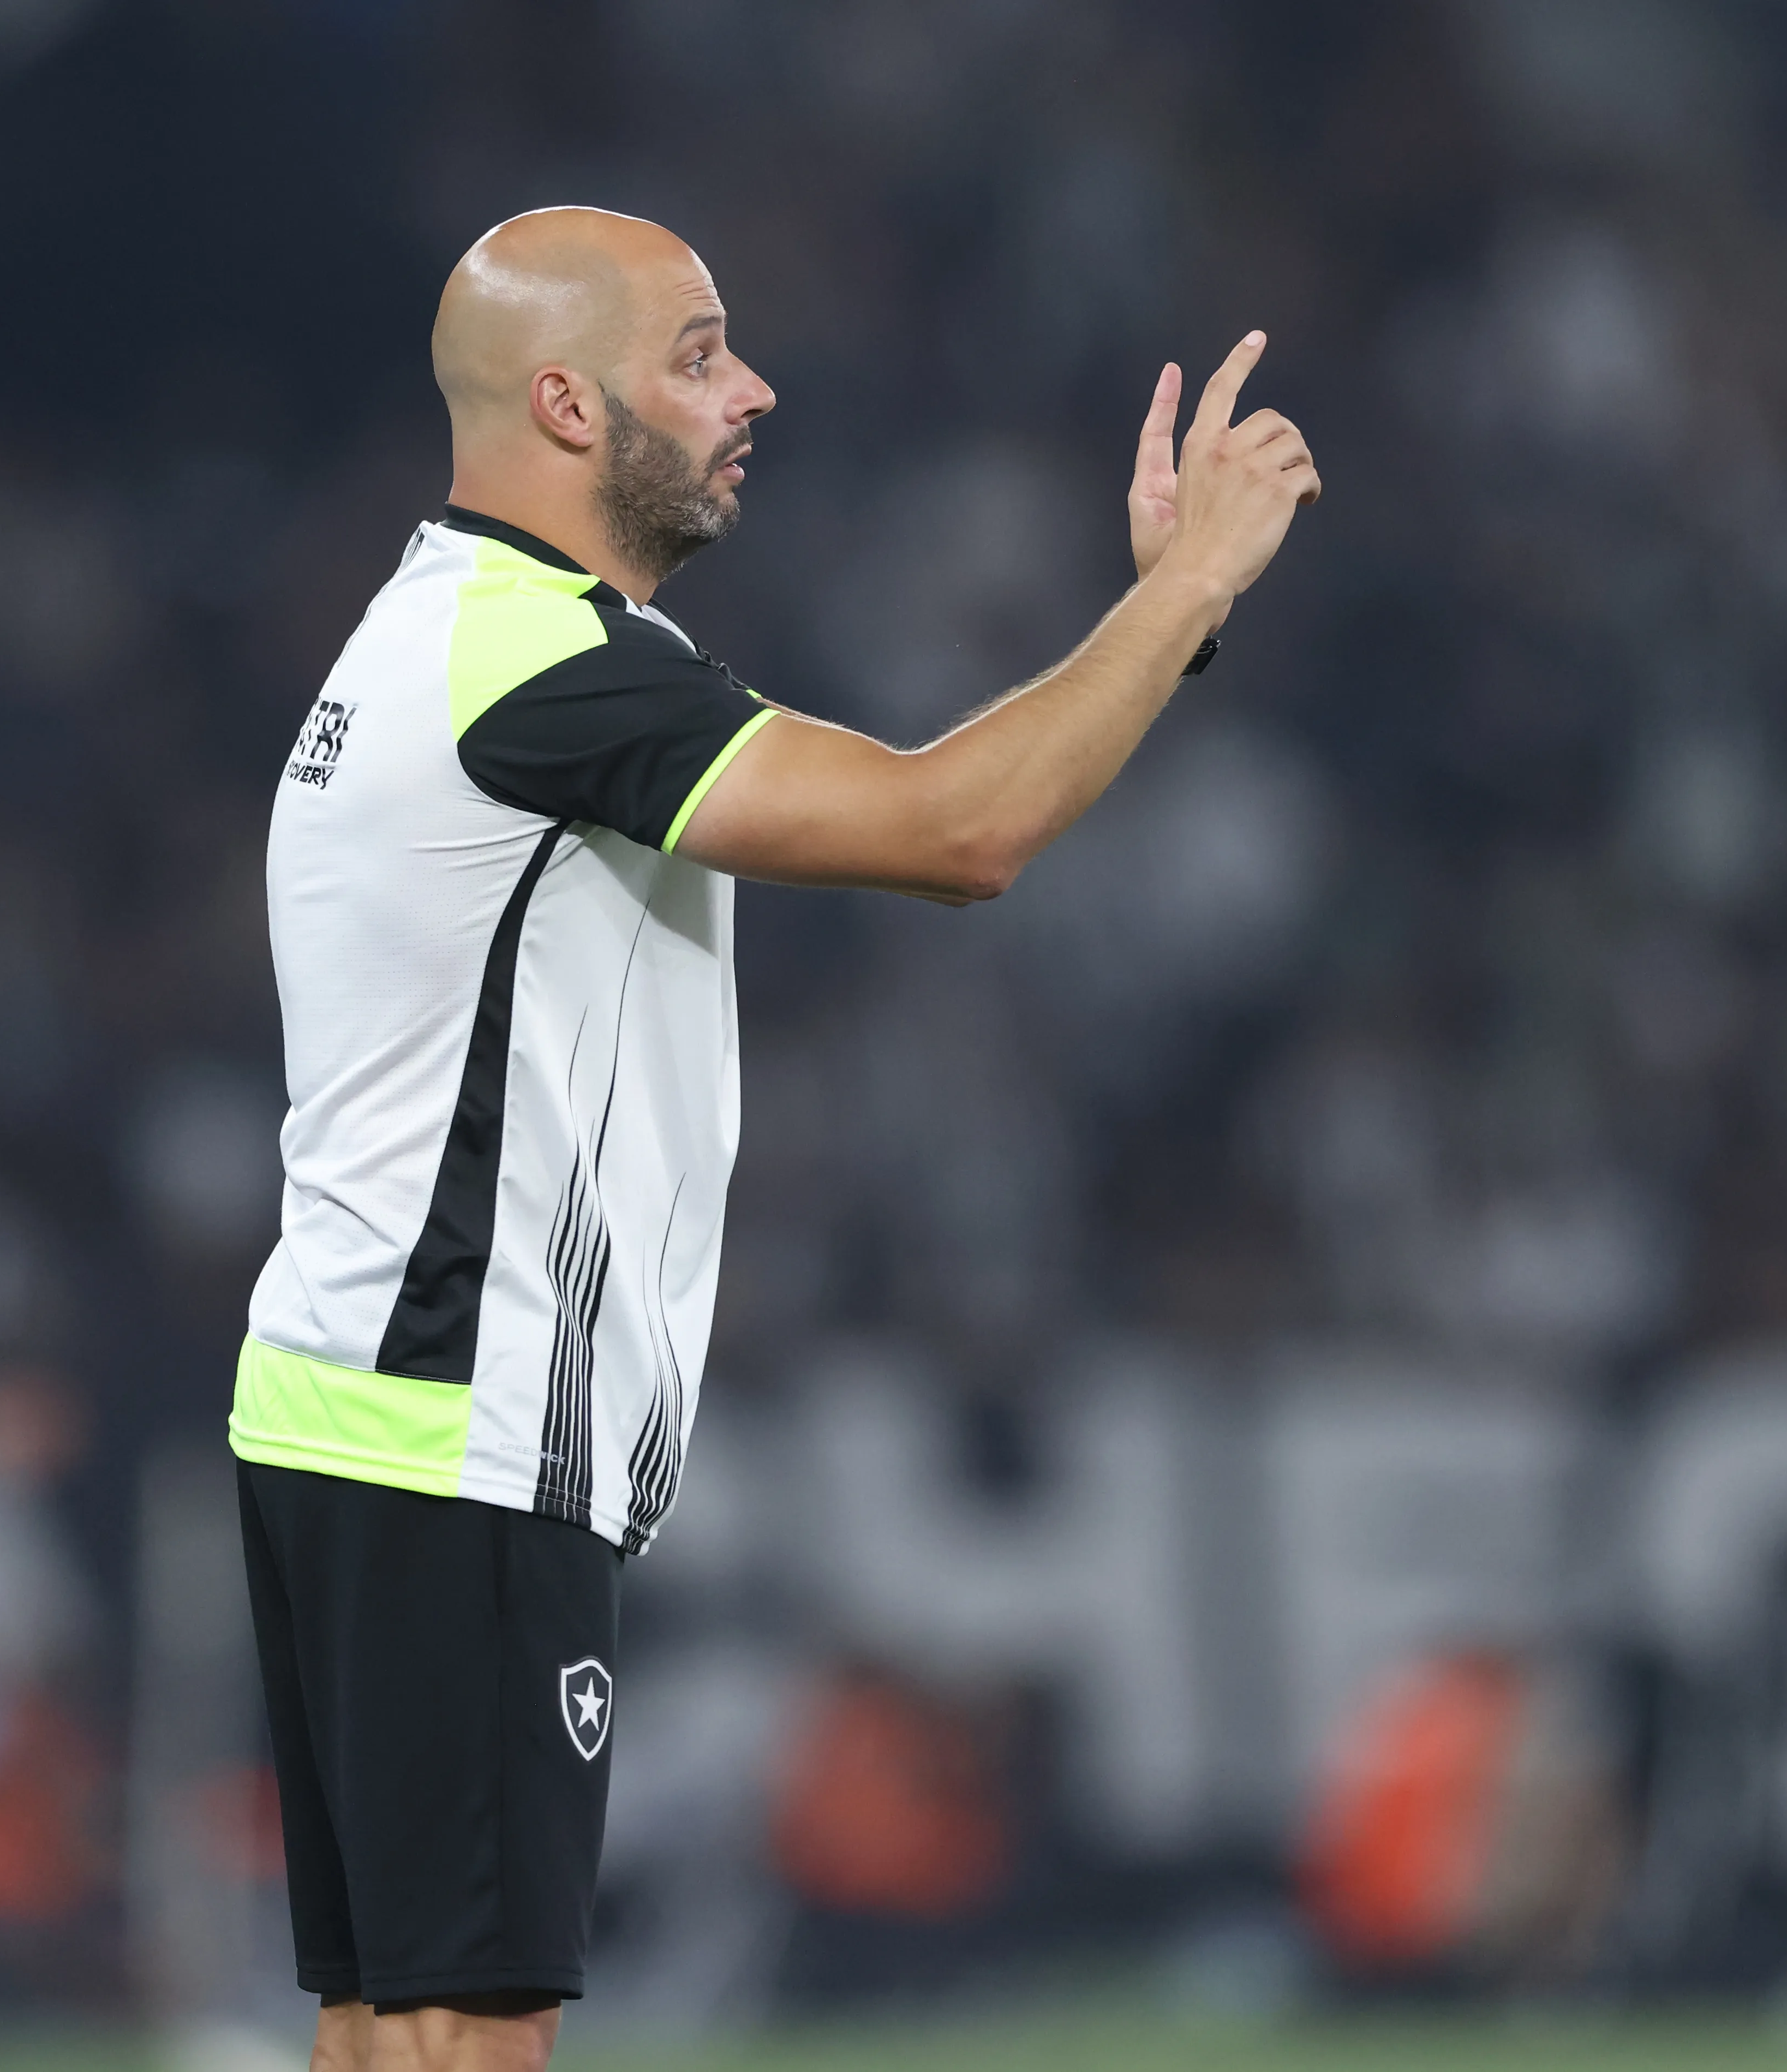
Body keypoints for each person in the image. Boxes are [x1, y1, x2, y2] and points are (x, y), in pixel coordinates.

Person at [231, 205, 1318, 2071]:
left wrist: (1150, 637)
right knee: (462, 2041)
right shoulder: (543, 668)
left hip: (355, 1415)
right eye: (698, 352)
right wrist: (1187, 589)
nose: (752, 389)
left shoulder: (450, 632)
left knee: (385, 2033)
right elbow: (956, 830)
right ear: (566, 403)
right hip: (457, 1435)